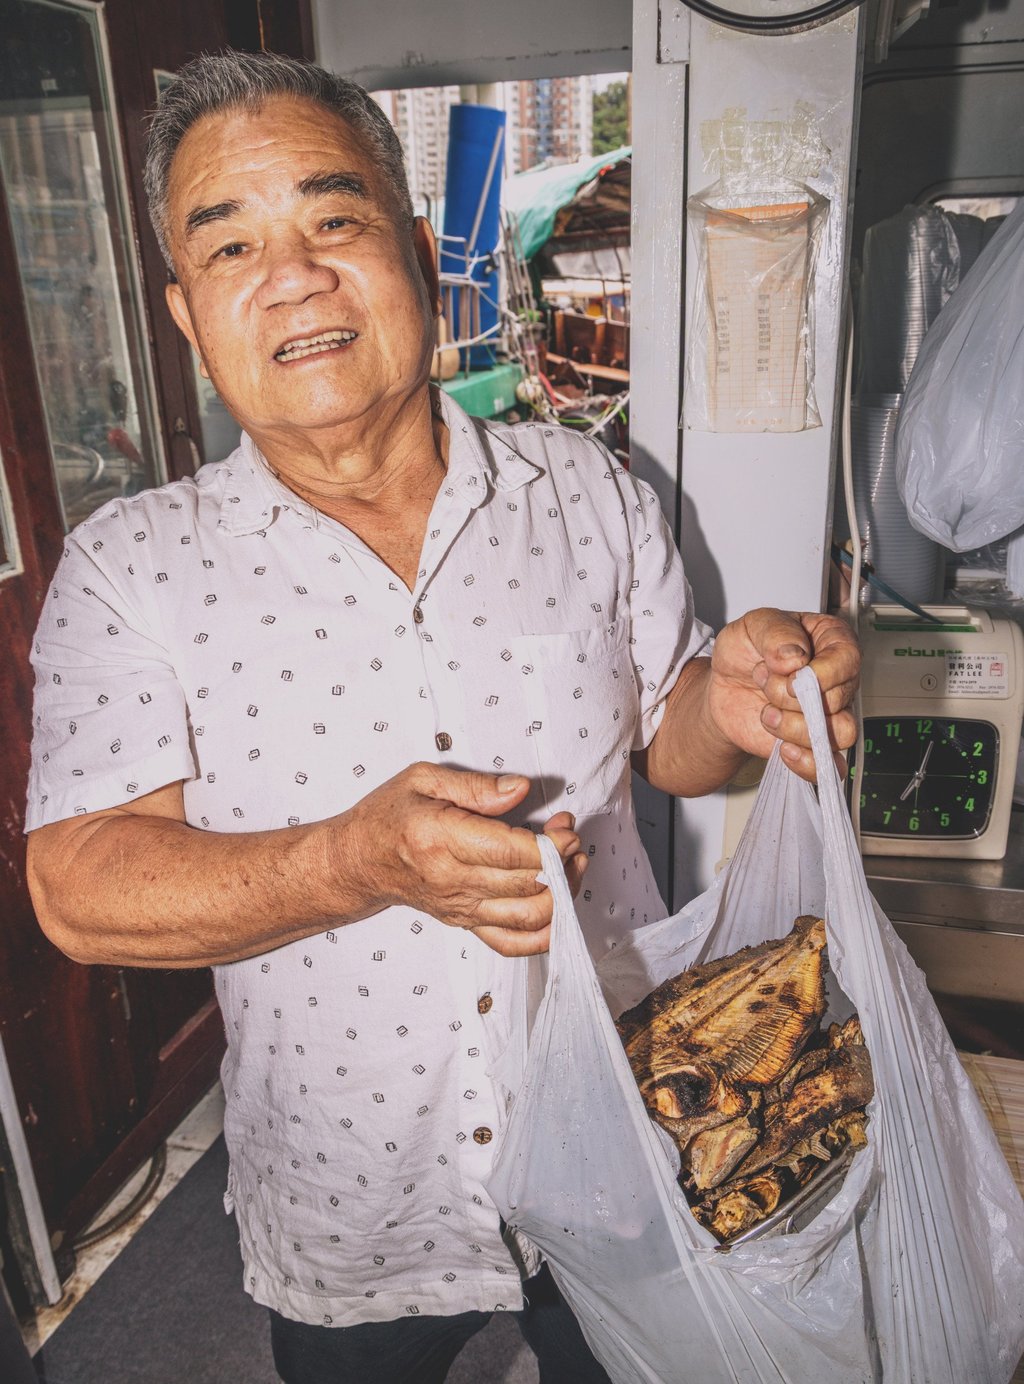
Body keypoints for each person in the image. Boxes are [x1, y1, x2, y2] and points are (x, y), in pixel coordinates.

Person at [23, 50, 859, 1384]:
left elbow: (666, 737)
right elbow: (79, 888)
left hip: (628, 1127)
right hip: (356, 1194)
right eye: (229, 246)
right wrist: (353, 862)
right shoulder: (134, 569)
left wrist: (739, 700)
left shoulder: (589, 491)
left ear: (416, 251)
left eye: (332, 219)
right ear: (186, 316)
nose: (291, 274)